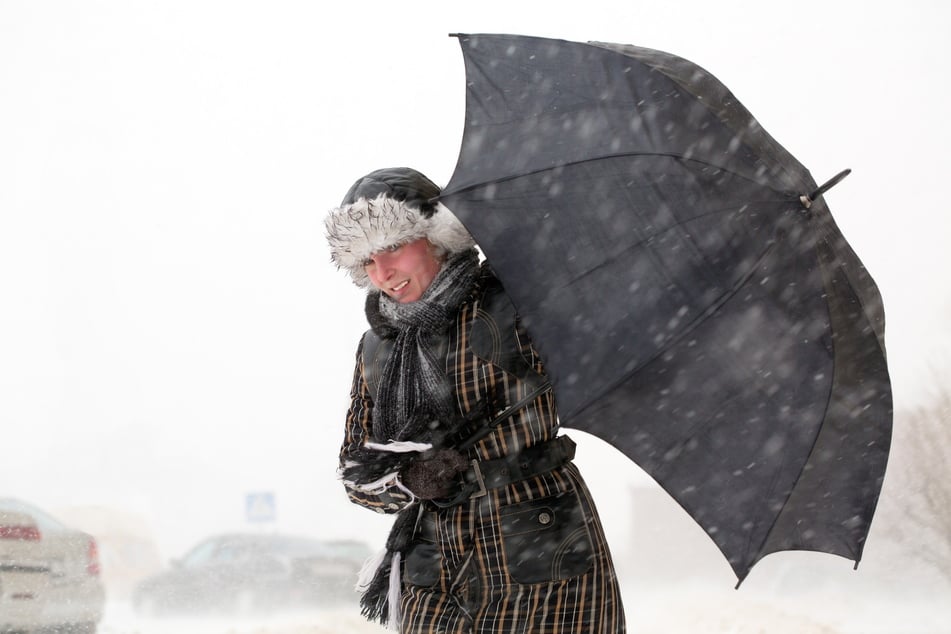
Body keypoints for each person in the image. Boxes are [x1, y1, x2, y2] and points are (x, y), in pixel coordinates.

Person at [325, 167, 626, 633]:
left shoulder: (514, 302)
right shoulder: (378, 348)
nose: (383, 273)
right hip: (432, 562)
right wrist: (412, 482)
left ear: (436, 236)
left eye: (392, 248)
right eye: (367, 261)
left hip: (540, 546)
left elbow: (606, 344)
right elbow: (357, 476)